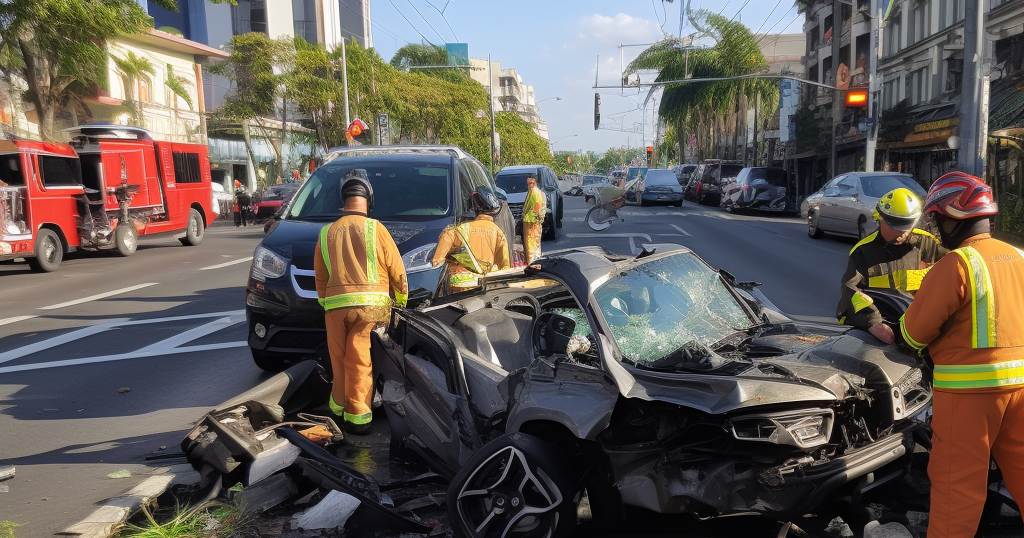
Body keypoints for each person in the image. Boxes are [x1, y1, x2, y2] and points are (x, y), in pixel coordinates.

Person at [899, 172, 1024, 538]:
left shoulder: (957, 264)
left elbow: (913, 333)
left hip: (971, 396)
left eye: (937, 219)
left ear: (954, 217)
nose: (937, 228)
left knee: (958, 485)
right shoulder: (1017, 255)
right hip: (1020, 387)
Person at [314, 169, 407, 434]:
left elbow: (320, 277)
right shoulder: (376, 229)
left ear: (344, 200)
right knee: (360, 360)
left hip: (335, 308)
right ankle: (359, 417)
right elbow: (397, 270)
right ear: (369, 199)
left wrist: (326, 303)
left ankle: (338, 408)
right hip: (372, 308)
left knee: (339, 358)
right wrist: (400, 301)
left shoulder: (326, 233)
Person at [837, 187, 945, 344]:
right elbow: (850, 292)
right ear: (880, 219)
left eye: (907, 225)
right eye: (895, 225)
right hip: (883, 329)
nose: (902, 232)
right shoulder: (863, 252)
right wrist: (873, 323)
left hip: (922, 328)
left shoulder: (928, 245)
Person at [431, 188, 510, 293]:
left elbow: (437, 263)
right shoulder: (499, 234)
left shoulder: (456, 231)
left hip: (456, 290)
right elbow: (505, 268)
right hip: (484, 289)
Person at [522, 176, 546, 264]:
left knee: (531, 244)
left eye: (531, 183)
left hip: (532, 221)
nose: (529, 185)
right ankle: (535, 262)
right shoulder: (534, 191)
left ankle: (533, 263)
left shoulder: (535, 192)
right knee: (533, 243)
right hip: (532, 220)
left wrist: (537, 218)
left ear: (535, 182)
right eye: (528, 183)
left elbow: (537, 207)